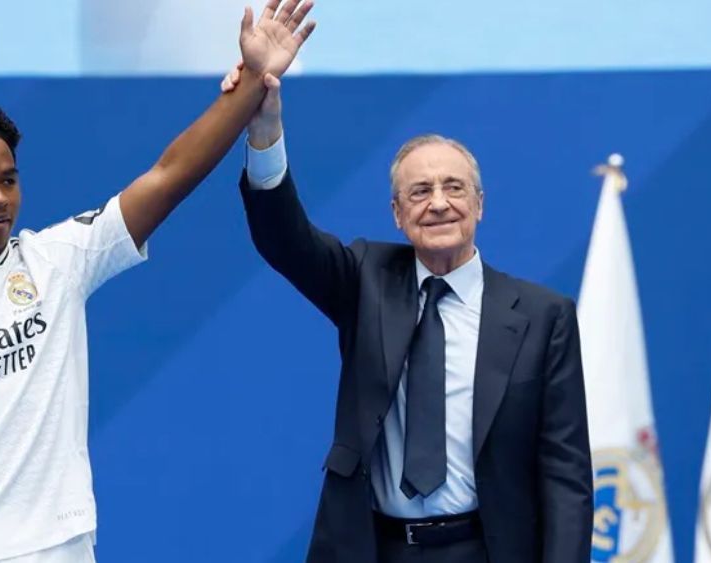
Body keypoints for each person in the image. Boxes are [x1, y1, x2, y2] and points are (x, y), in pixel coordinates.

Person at [0, 2, 316, 561]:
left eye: (8, 179)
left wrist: (251, 81)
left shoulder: (58, 259)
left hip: (60, 545)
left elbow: (169, 175)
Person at [221, 68, 593, 562]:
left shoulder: (545, 316)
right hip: (376, 549)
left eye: (454, 188)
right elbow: (284, 238)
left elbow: (565, 476)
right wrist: (264, 129)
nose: (438, 204)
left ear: (479, 205)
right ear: (397, 214)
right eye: (420, 192)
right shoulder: (364, 280)